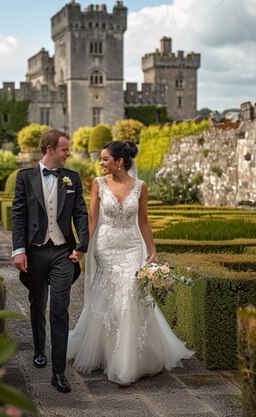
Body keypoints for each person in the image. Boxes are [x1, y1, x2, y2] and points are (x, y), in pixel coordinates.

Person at [67, 140, 193, 386]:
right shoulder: (97, 184)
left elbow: (144, 222)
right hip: (106, 247)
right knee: (109, 298)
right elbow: (92, 221)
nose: (101, 163)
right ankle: (105, 353)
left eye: (105, 159)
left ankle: (128, 362)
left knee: (128, 296)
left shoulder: (141, 187)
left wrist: (153, 252)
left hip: (133, 248)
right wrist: (81, 248)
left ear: (119, 161)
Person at [11, 128, 89, 393]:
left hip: (62, 253)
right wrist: (18, 250)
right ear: (50, 150)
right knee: (37, 303)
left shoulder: (72, 178)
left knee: (59, 308)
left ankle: (58, 372)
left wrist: (81, 247)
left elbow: (80, 212)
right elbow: (18, 215)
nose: (69, 153)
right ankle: (38, 348)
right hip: (34, 252)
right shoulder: (25, 178)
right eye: (66, 149)